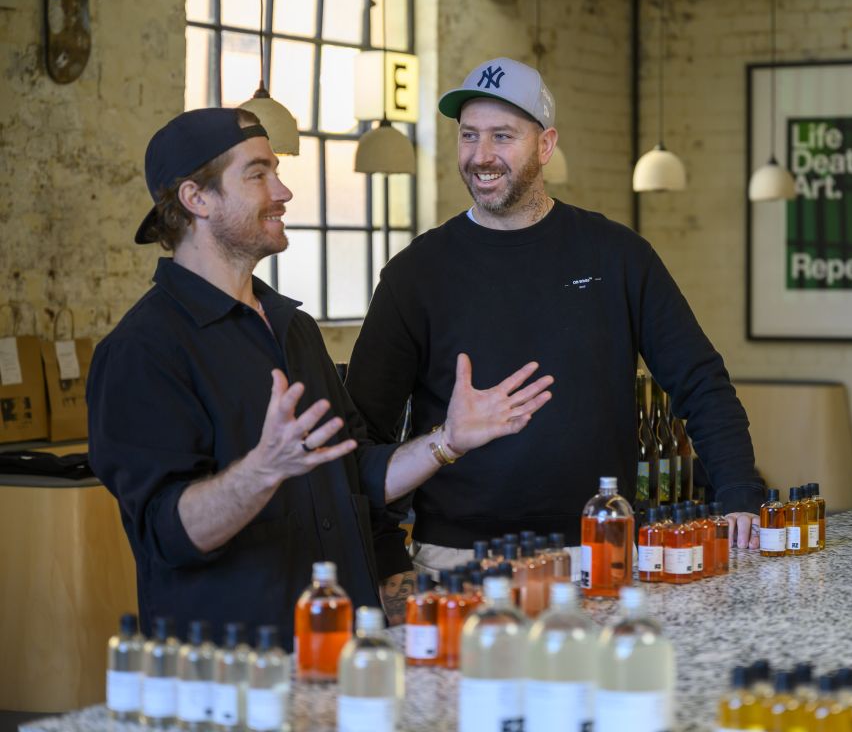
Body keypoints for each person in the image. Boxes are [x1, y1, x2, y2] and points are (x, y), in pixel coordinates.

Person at [87, 107, 553, 639]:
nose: (283, 192)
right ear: (197, 199)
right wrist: (263, 470)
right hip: (240, 673)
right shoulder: (141, 351)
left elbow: (355, 472)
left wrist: (447, 441)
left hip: (343, 648)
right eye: (258, 174)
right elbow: (167, 533)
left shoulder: (293, 328)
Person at [346, 57, 765, 580]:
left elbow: (699, 380)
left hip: (600, 549)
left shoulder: (617, 256)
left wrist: (739, 494)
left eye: (503, 136)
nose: (482, 156)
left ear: (545, 145)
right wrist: (386, 561)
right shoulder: (415, 274)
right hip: (457, 562)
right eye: (469, 135)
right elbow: (360, 441)